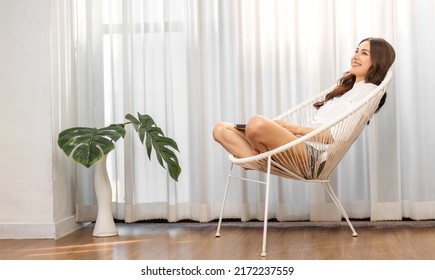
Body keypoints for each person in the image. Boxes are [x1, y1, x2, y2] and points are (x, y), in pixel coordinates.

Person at [213, 37, 395, 176]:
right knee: (220, 129)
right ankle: (256, 158)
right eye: (356, 50)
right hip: (297, 144)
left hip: (313, 157)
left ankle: (254, 156)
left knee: (257, 123)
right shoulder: (343, 89)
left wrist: (292, 128)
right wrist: (288, 132)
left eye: (364, 53)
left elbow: (335, 138)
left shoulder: (369, 93)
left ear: (377, 61)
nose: (355, 56)